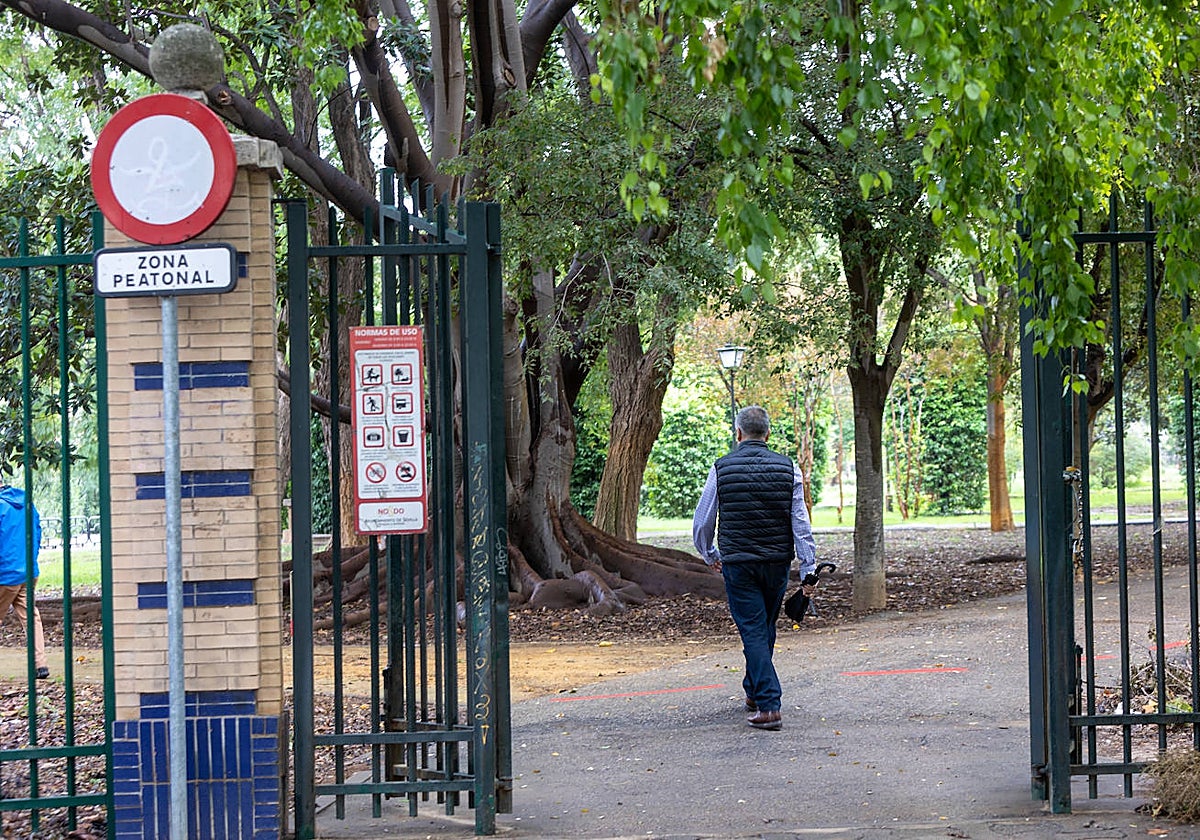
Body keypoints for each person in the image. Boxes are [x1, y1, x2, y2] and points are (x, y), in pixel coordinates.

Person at [693, 405, 816, 730]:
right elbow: (800, 523)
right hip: (776, 563)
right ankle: (752, 689)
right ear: (768, 434)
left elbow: (703, 520)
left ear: (738, 433)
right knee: (764, 627)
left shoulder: (722, 468)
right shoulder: (788, 468)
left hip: (738, 563)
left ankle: (769, 704)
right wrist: (808, 568)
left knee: (752, 629)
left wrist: (710, 554)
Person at [0, 481, 48, 680]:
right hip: (28, 571)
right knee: (30, 616)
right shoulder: (27, 503)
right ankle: (40, 664)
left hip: (6, 574)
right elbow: (37, 534)